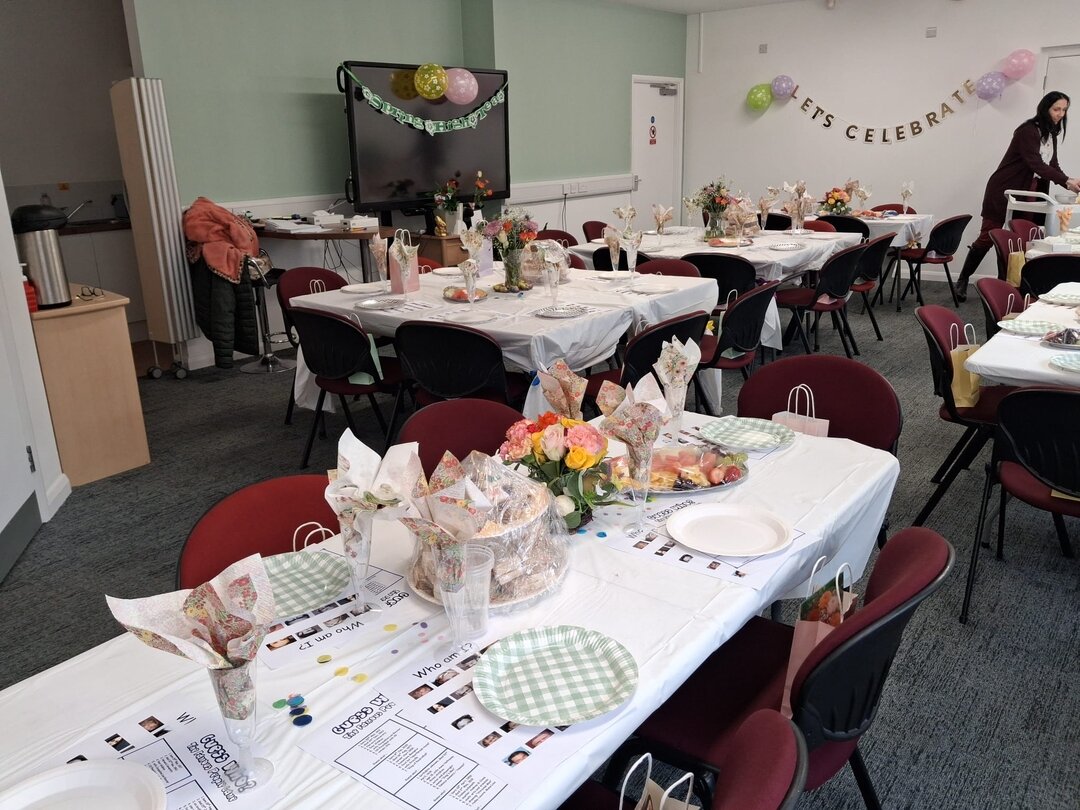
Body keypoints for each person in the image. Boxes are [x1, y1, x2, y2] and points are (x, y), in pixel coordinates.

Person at [956, 91, 1080, 301]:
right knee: (989, 235)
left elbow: (1052, 165)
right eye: (1056, 109)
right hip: (1006, 189)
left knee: (1021, 240)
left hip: (1031, 193)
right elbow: (1035, 163)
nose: (1060, 114)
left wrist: (1070, 183)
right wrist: (1067, 181)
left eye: (1064, 110)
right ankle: (962, 279)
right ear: (1045, 108)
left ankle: (1006, 284)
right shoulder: (1027, 131)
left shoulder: (1051, 135)